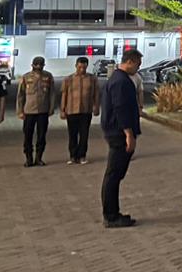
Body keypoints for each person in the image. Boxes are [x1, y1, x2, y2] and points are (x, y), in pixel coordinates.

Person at [99, 49, 143, 227]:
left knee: (115, 175)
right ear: (130, 62)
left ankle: (113, 212)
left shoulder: (119, 79)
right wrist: (129, 134)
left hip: (117, 132)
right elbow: (120, 108)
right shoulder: (121, 82)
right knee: (114, 175)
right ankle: (111, 215)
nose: (138, 68)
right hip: (118, 133)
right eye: (138, 64)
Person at [60, 56, 100, 165]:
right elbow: (64, 94)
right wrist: (62, 109)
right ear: (76, 66)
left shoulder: (92, 79)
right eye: (80, 67)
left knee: (84, 134)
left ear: (87, 66)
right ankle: (73, 156)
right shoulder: (68, 79)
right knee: (72, 134)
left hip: (86, 111)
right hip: (71, 110)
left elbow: (96, 94)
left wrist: (96, 107)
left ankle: (82, 155)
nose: (82, 69)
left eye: (84, 67)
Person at [16, 56, 55, 167]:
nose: (38, 66)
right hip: (29, 111)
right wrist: (20, 111)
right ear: (32, 65)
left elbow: (52, 93)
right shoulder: (26, 77)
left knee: (41, 136)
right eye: (36, 64)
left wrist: (51, 108)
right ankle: (29, 158)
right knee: (27, 136)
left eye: (41, 65)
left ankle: (39, 158)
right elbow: (20, 95)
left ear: (43, 65)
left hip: (43, 111)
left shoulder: (48, 76)